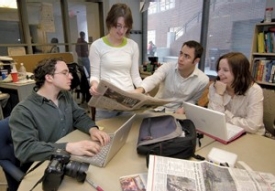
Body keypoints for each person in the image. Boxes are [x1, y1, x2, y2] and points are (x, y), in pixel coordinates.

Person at [9, 58, 110, 164]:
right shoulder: (22, 111)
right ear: (49, 77)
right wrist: (68, 147)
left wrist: (93, 129)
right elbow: (25, 149)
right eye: (64, 73)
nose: (71, 76)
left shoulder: (65, 96)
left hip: (69, 155)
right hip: (45, 162)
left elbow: (79, 116)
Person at [89, 3, 142, 120]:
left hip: (128, 101)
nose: (121, 30)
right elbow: (94, 75)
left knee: (129, 136)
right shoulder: (97, 46)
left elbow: (135, 76)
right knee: (106, 136)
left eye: (125, 26)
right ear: (110, 23)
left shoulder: (133, 46)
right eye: (118, 26)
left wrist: (143, 90)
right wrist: (94, 85)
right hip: (106, 102)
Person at [134, 40, 209, 114]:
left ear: (196, 61)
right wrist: (140, 89)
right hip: (157, 109)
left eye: (186, 56)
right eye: (181, 53)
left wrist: (184, 109)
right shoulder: (168, 67)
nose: (180, 59)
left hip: (177, 113)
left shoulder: (203, 80)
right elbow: (153, 79)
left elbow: (193, 100)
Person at [208, 52, 265, 135]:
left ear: (239, 73)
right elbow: (213, 117)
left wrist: (226, 115)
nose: (219, 73)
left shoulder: (254, 90)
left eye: (225, 70)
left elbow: (252, 126)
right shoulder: (215, 86)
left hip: (251, 135)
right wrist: (219, 94)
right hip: (223, 131)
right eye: (219, 69)